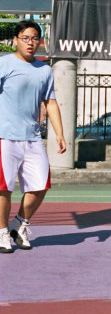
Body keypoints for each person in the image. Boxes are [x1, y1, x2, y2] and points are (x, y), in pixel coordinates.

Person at [0, 20, 66, 253]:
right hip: (4, 137)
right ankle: (2, 234)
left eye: (35, 38)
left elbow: (50, 102)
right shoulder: (4, 64)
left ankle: (19, 224)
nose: (31, 43)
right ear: (16, 40)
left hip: (32, 138)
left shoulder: (44, 70)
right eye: (26, 38)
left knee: (40, 186)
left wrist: (59, 133)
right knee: (3, 188)